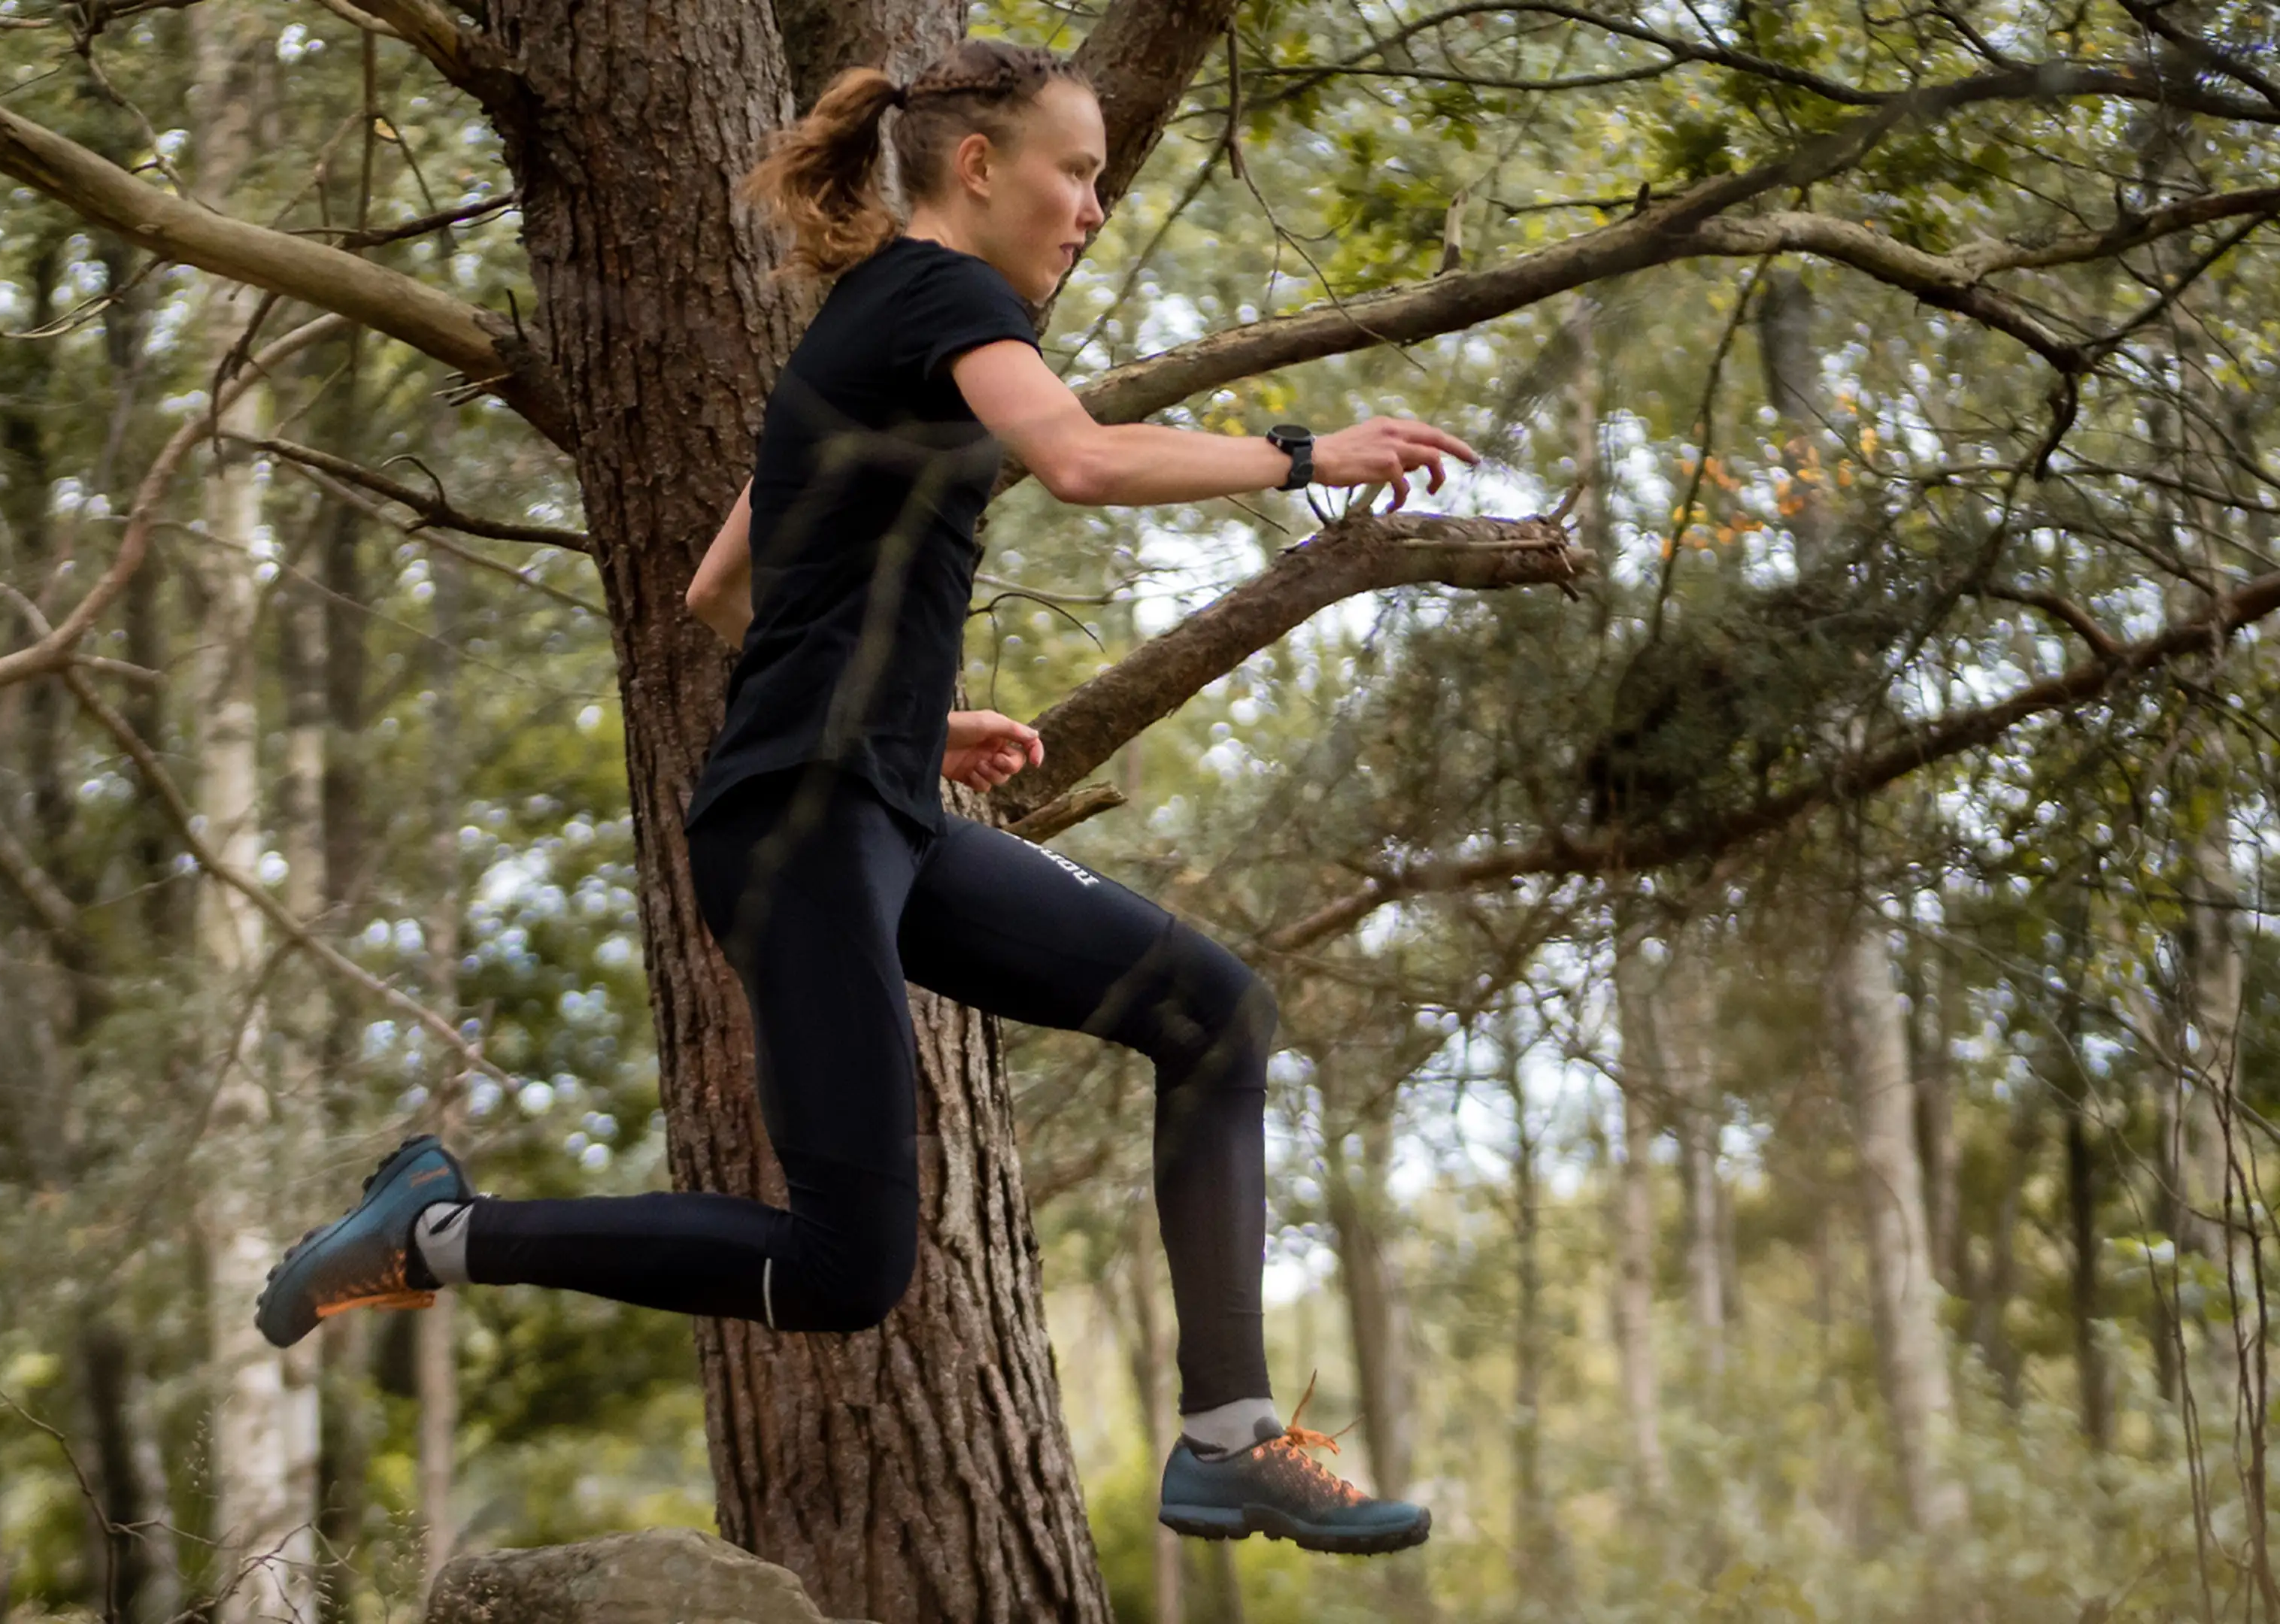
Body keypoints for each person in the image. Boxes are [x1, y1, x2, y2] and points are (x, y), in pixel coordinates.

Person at [254, 35, 1475, 1558]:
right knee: (848, 1267)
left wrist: (908, 710)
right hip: (807, 825)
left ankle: (1228, 1438)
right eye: (1074, 171)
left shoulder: (872, 331)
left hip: (870, 804)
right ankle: (434, 1232)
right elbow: (1080, 462)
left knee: (1214, 1012)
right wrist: (1304, 451)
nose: (1089, 205)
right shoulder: (943, 295)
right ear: (980, 168)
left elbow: (718, 591)